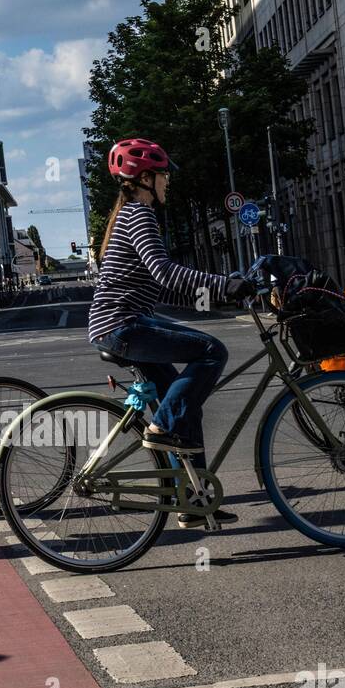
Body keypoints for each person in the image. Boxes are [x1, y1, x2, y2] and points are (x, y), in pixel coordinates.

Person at [88, 137, 253, 529]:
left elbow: (158, 287)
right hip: (122, 326)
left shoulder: (131, 215)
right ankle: (161, 428)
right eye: (163, 175)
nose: (168, 182)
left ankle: (193, 498)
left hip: (123, 324)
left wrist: (213, 295)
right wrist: (224, 285)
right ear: (145, 178)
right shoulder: (138, 216)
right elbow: (165, 273)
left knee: (185, 400)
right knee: (212, 351)